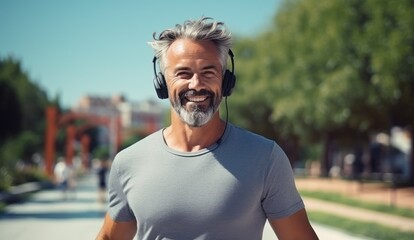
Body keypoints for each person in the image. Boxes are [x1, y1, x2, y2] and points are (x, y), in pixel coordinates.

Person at [96, 17, 318, 240]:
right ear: (162, 82)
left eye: (208, 72)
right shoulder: (127, 163)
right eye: (183, 73)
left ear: (225, 80)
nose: (196, 84)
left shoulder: (265, 158)